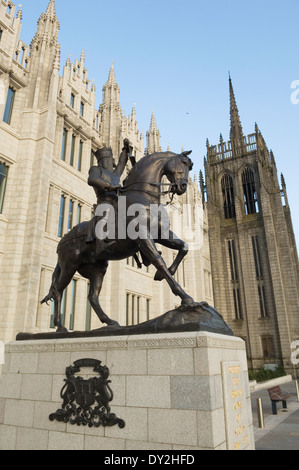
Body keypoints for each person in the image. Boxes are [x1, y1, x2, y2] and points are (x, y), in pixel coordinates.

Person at [86, 139, 130, 244]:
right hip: (104, 202)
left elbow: (121, 163)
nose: (112, 162)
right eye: (110, 159)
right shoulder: (96, 169)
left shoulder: (115, 174)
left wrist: (125, 149)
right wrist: (108, 187)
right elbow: (92, 179)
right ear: (104, 160)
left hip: (117, 203)